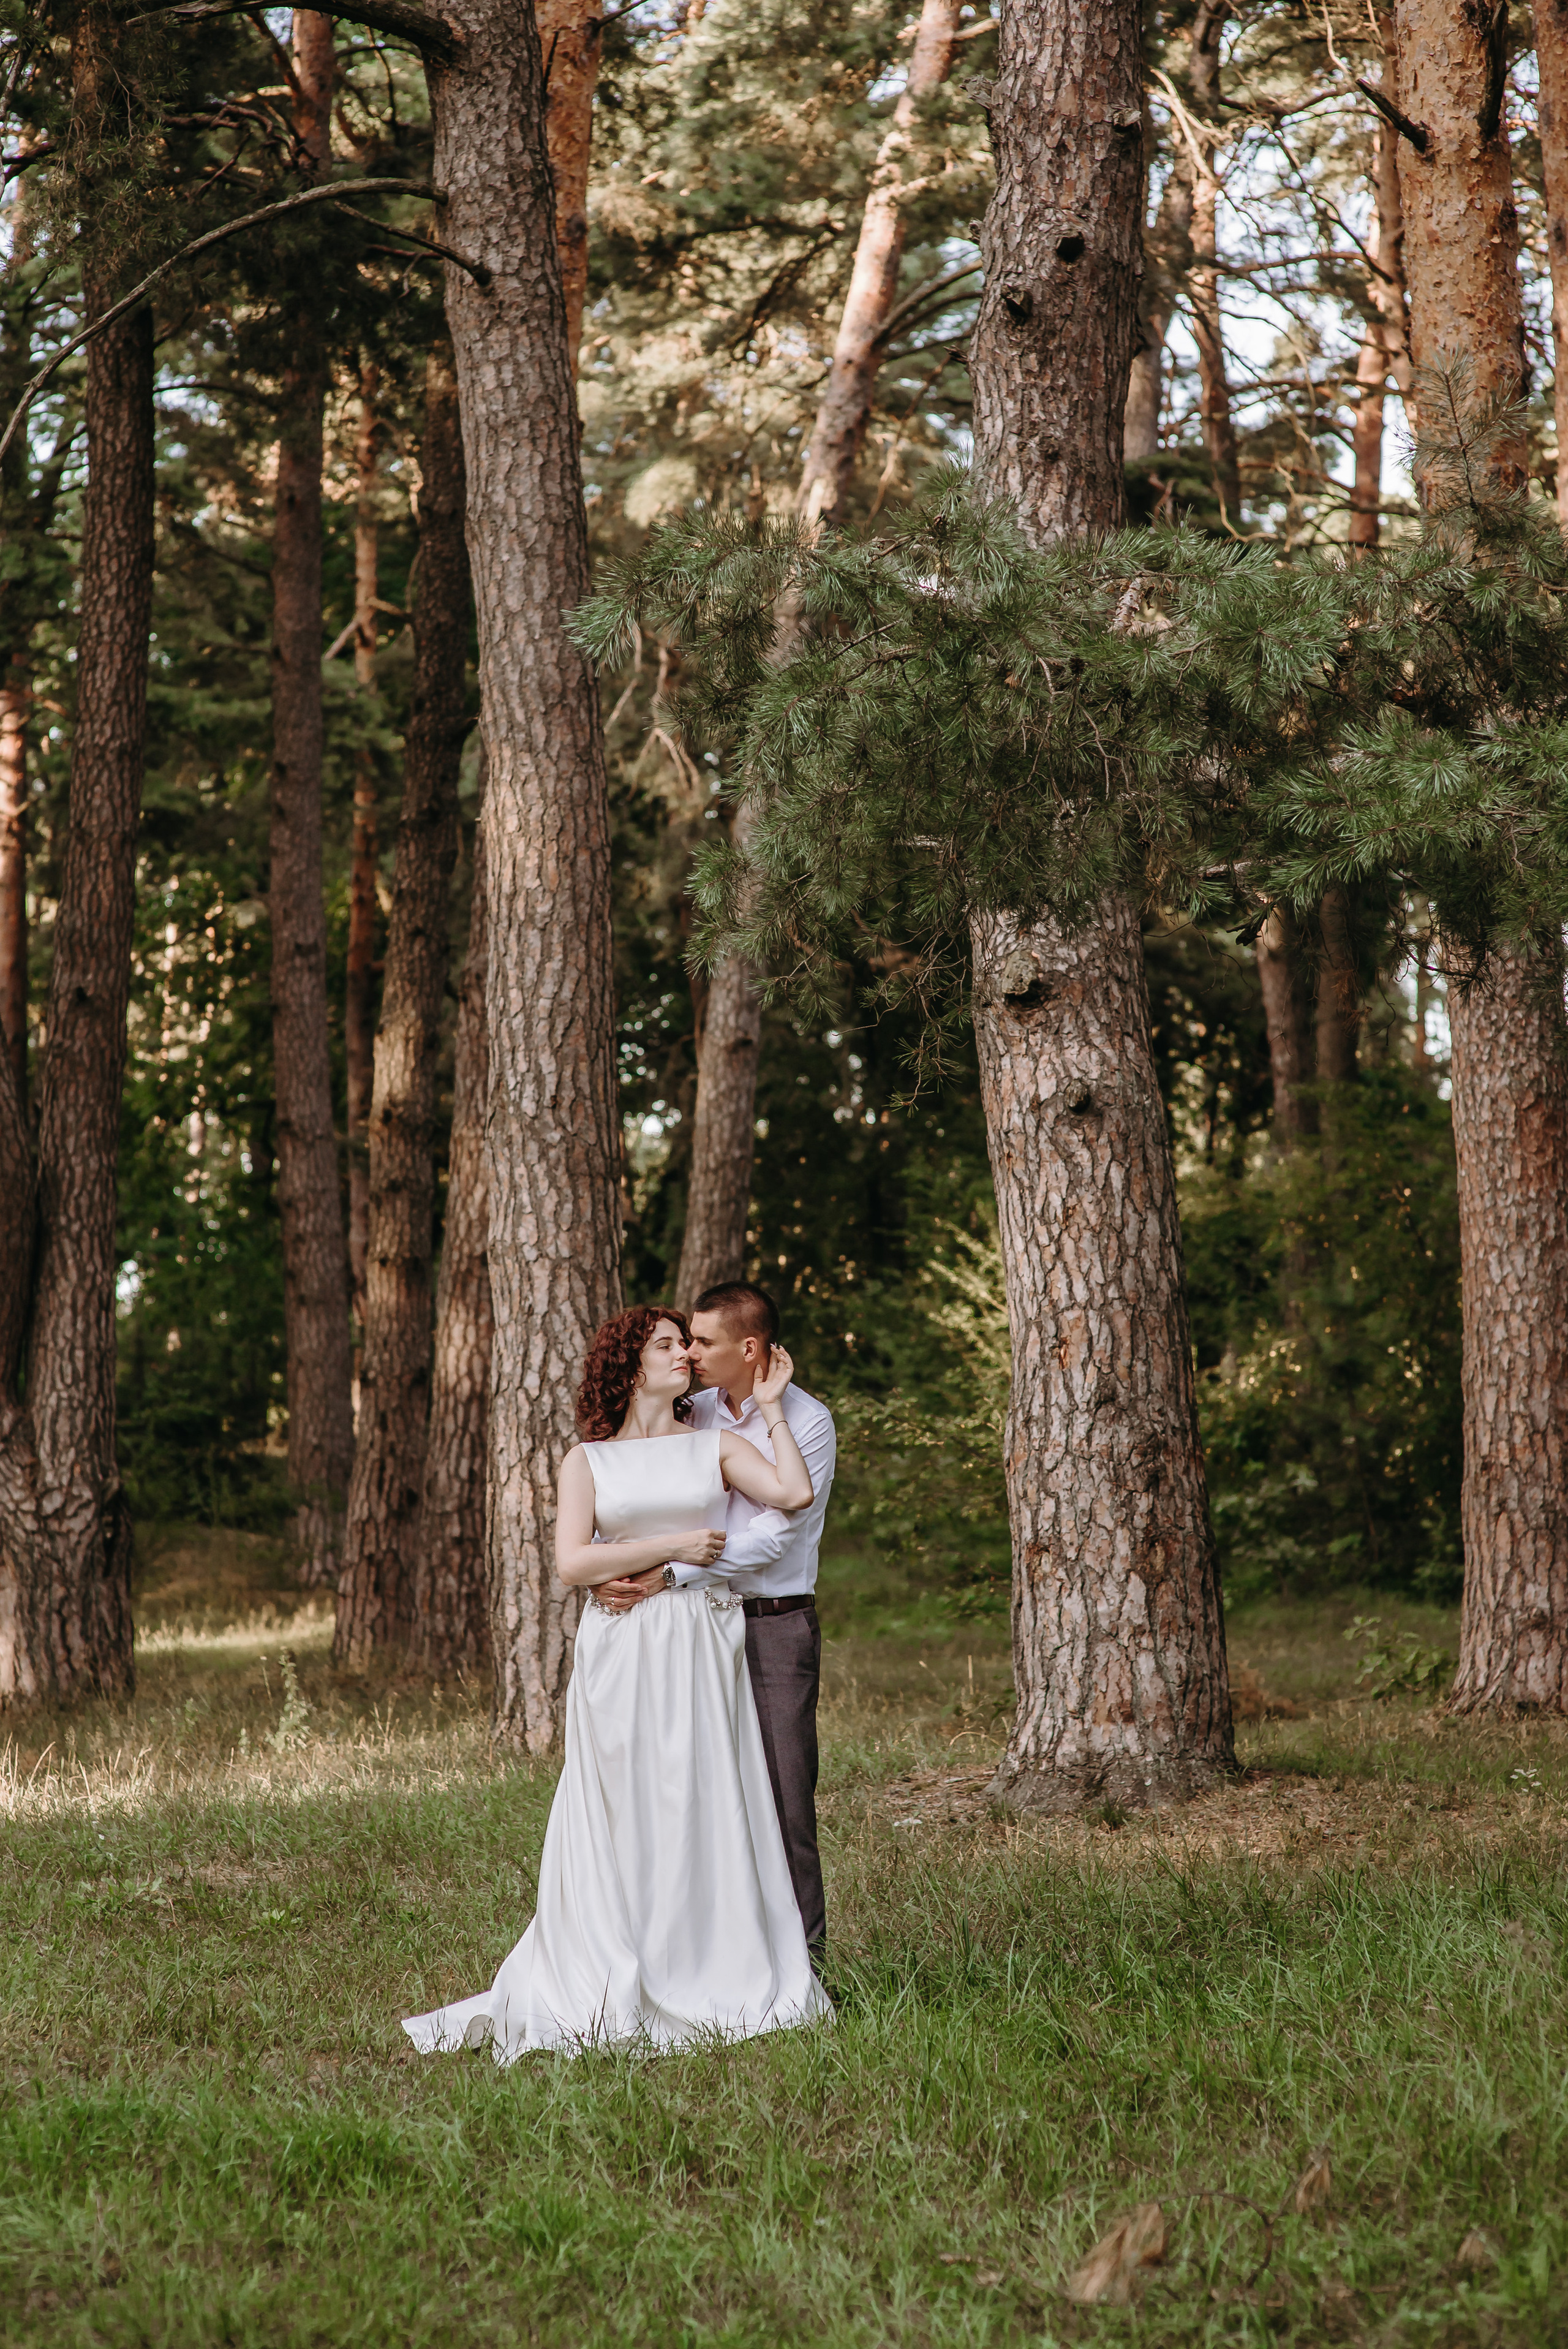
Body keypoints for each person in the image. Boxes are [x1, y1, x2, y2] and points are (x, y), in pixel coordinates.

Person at [402, 1304, 832, 2060]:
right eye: (668, 1346)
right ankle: (616, 1957)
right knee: (625, 1796)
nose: (685, 1358)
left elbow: (793, 1496)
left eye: (686, 1344)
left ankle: (709, 1958)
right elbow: (573, 1565)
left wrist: (769, 1406)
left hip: (701, 1642)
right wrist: (669, 1545)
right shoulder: (587, 1461)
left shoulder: (719, 1444)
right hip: (623, 1647)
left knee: (703, 1795)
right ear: (632, 1366)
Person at [685, 1284, 835, 1963]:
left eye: (702, 1342)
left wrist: (681, 1566)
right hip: (694, 1623)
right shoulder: (689, 1415)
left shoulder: (807, 1422)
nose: (690, 1354)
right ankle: (721, 1957)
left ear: (748, 1348)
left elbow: (779, 1532)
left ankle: (805, 1965)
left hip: (775, 1628)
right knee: (706, 1795)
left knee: (784, 1800)